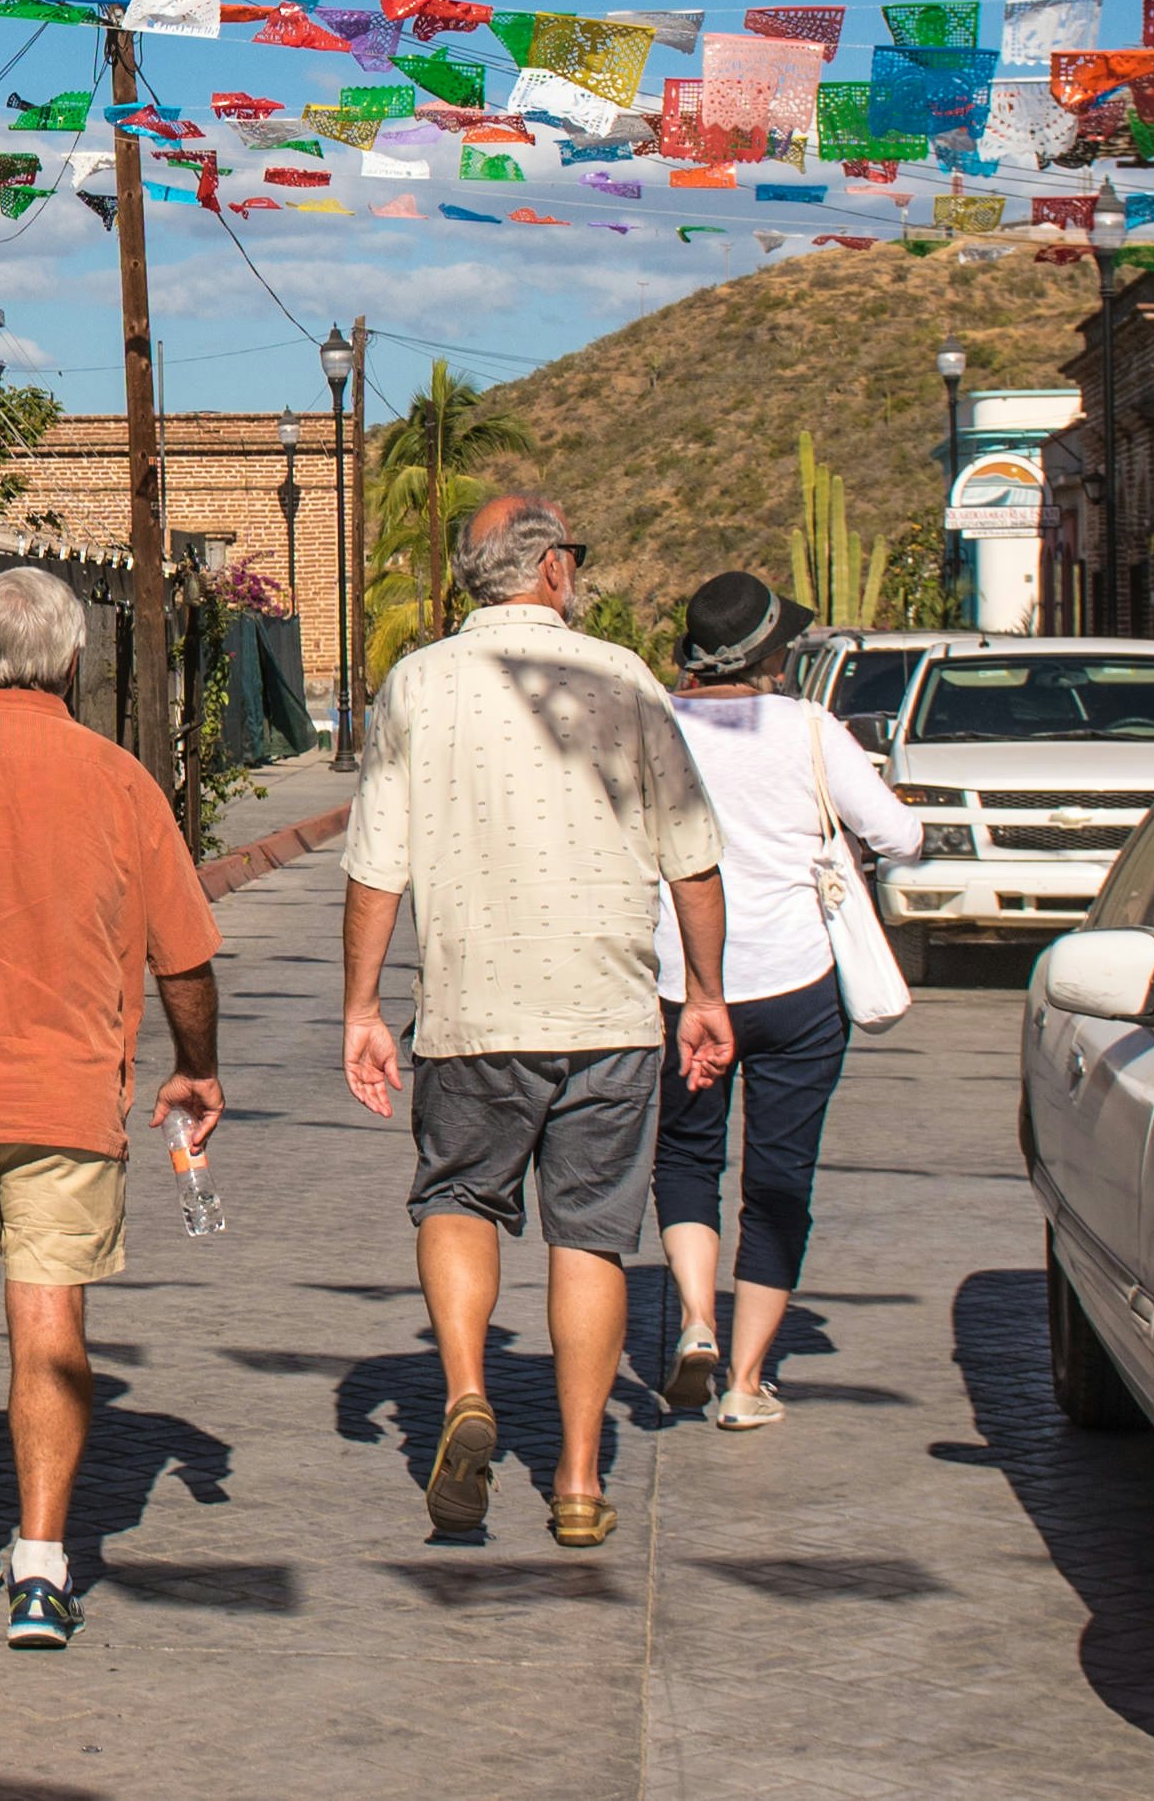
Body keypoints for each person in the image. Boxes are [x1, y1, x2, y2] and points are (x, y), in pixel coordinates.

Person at [341, 496, 735, 1548]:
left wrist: (360, 1006)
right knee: (591, 1235)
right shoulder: (624, 678)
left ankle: (465, 1388)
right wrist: (702, 993)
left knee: (459, 1196)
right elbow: (690, 856)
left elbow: (376, 860)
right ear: (552, 567)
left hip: (473, 1011)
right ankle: (571, 1478)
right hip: (608, 1011)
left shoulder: (414, 683)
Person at [0, 564, 223, 1650]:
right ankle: (42, 1566)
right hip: (69, 1093)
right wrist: (195, 1067)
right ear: (72, 659)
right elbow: (185, 957)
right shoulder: (117, 778)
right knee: (50, 1316)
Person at [656, 570, 919, 1429]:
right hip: (796, 987)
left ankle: (696, 1319)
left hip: (681, 983)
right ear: (770, 653)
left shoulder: (656, 723)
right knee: (778, 1178)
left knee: (687, 1158)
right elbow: (898, 834)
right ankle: (744, 1381)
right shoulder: (811, 729)